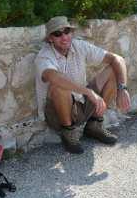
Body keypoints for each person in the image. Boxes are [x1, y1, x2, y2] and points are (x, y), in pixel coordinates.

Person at [35, 16, 131, 154]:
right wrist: (89, 92)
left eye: (66, 31)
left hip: (81, 103)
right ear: (50, 38)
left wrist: (122, 88)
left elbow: (117, 59)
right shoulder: (44, 56)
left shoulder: (79, 46)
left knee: (112, 70)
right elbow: (54, 77)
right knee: (58, 86)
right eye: (57, 34)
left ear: (71, 33)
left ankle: (94, 125)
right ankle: (68, 133)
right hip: (57, 114)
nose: (64, 37)